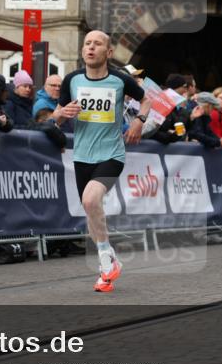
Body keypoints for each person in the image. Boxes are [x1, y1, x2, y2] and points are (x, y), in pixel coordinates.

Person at [54, 30, 150, 293]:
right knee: (91, 210)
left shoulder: (120, 80)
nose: (91, 48)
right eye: (87, 44)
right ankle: (107, 266)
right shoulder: (72, 80)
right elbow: (56, 116)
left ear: (108, 53)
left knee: (90, 200)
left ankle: (107, 260)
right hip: (82, 156)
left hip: (112, 155)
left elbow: (146, 100)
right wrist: (63, 112)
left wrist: (139, 122)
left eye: (97, 44)